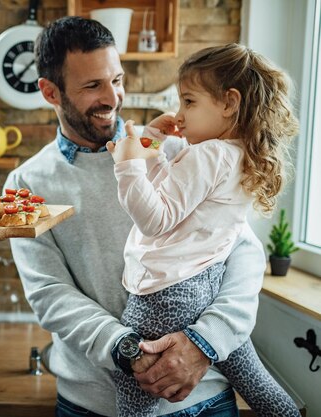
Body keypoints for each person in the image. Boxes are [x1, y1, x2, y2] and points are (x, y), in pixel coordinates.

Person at [4, 16, 268, 417]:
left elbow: (242, 252)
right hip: (94, 403)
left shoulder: (176, 148)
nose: (113, 97)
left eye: (117, 79)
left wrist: (204, 343)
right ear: (50, 92)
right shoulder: (26, 183)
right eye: (93, 86)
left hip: (206, 393)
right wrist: (128, 350)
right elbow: (49, 293)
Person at [107, 44, 300, 416]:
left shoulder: (206, 155)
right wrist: (154, 145)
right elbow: (176, 201)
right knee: (258, 385)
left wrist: (128, 165)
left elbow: (156, 219)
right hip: (207, 289)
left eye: (189, 102)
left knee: (133, 390)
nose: (180, 115)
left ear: (229, 103)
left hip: (164, 297)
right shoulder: (242, 156)